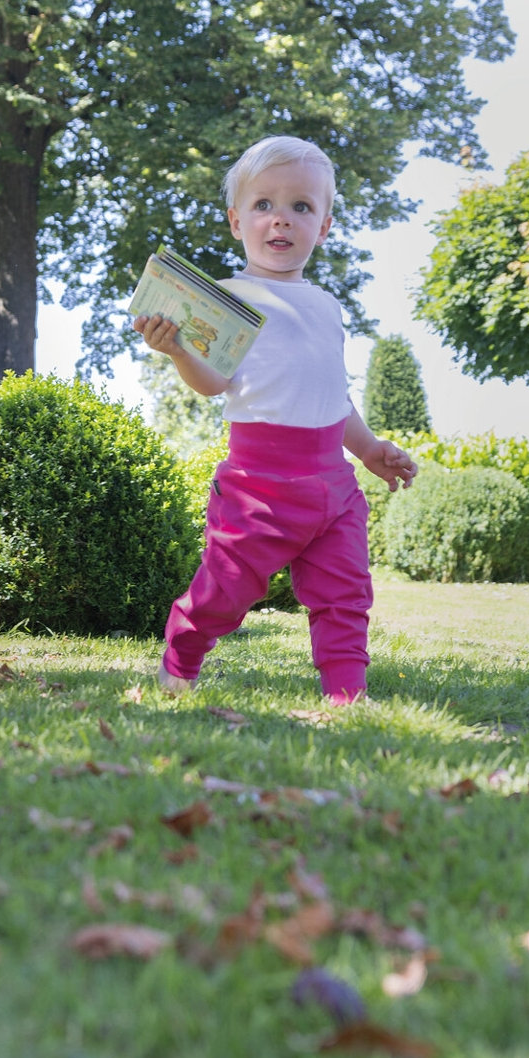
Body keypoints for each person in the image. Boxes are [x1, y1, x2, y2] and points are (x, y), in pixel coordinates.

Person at [134, 136, 416, 703]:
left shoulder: (327, 305)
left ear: (325, 226)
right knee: (225, 592)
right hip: (257, 486)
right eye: (263, 205)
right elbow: (215, 385)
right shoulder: (226, 299)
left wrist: (367, 449)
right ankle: (180, 660)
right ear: (237, 222)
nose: (280, 220)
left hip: (333, 486)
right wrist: (181, 351)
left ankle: (346, 694)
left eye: (300, 207)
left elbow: (332, 395)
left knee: (346, 593)